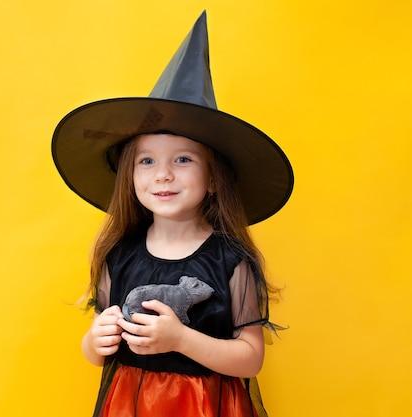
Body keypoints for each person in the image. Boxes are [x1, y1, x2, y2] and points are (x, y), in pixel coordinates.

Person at [52, 10, 293, 417]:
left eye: (182, 159)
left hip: (205, 407)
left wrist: (181, 339)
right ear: (129, 176)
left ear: (213, 178)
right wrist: (96, 340)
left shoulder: (230, 261)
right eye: (146, 161)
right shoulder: (120, 255)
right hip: (132, 404)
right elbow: (96, 352)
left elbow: (250, 358)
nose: (162, 174)